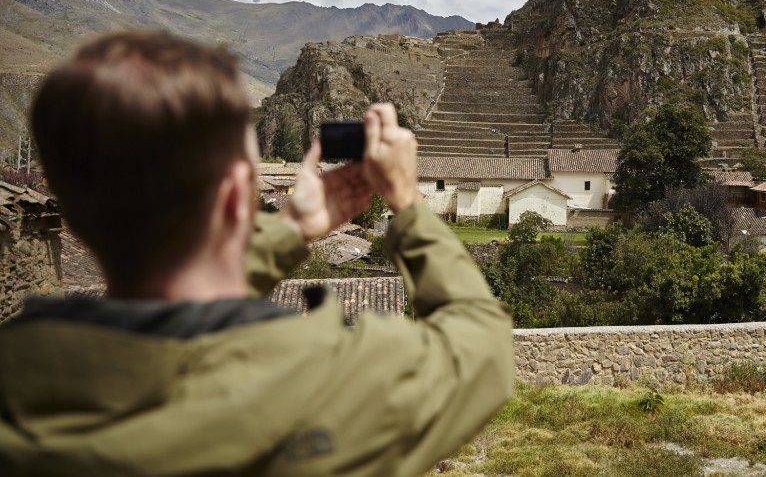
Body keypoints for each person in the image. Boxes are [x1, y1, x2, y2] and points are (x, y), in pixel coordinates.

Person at [0, 31, 515, 476]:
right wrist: (407, 204)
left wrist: (291, 229)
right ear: (232, 198)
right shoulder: (317, 380)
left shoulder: (19, 374)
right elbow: (481, 349)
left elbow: (183, 293)